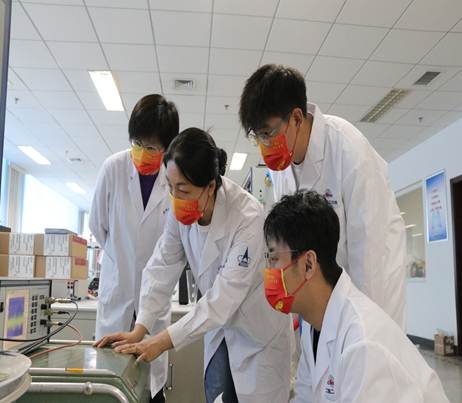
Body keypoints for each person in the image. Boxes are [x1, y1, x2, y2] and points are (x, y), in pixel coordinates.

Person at [94, 128, 292, 403]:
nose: (175, 197)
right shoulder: (181, 212)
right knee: (217, 396)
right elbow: (161, 266)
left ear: (210, 187)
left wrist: (159, 342)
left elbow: (223, 299)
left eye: (183, 189)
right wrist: (140, 328)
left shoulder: (248, 217)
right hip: (219, 329)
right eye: (170, 187)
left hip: (258, 336)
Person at [239, 64, 406, 330]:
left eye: (268, 134)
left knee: (362, 346)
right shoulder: (282, 168)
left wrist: (363, 326)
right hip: (320, 291)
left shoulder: (348, 149)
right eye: (257, 137)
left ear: (296, 118)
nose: (264, 146)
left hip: (370, 286)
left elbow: (369, 251)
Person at [262, 190, 449, 403]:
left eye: (274, 258)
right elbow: (306, 396)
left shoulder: (363, 345)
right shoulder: (314, 325)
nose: (268, 271)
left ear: (309, 264)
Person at [89, 94, 179, 402]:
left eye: (152, 147)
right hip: (117, 296)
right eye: (137, 143)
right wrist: (121, 259)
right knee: (109, 387)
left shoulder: (173, 179)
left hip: (153, 304)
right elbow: (98, 225)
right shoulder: (113, 169)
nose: (142, 152)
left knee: (151, 390)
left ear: (167, 147)